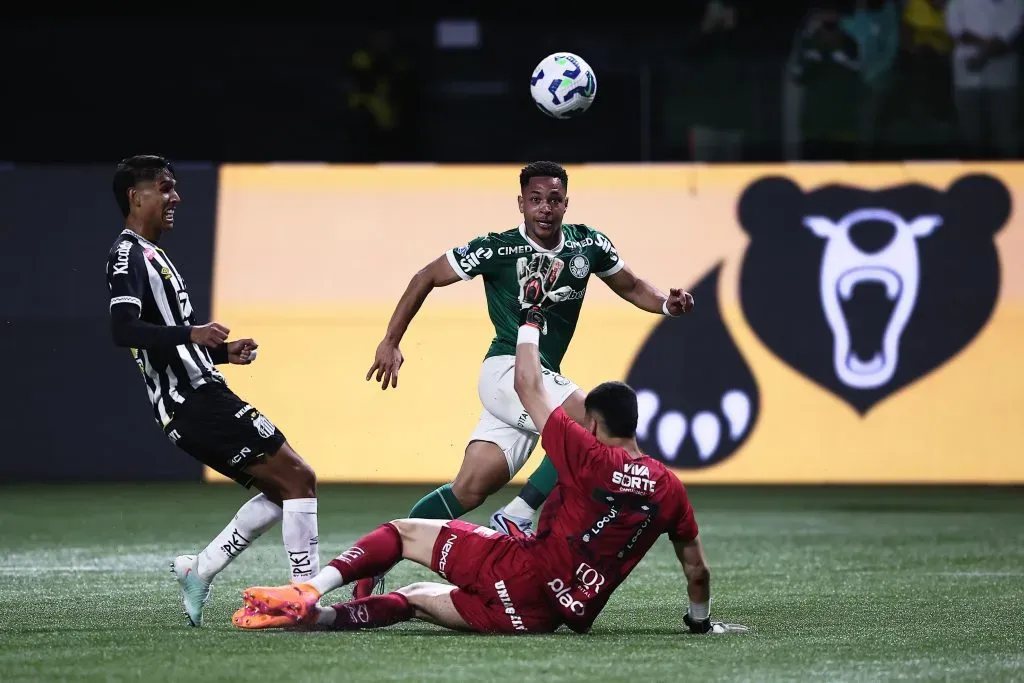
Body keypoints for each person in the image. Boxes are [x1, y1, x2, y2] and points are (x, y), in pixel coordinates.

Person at [234, 254, 745, 636]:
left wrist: (529, 319)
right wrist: (700, 624)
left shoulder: (583, 451)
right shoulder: (669, 487)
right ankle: (316, 621)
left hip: (519, 569)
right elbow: (697, 570)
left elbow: (529, 386)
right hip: (543, 617)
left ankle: (310, 592)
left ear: (591, 422)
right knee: (417, 594)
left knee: (404, 531)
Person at [365, 160, 694, 551]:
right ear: (520, 203)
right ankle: (518, 513)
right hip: (506, 371)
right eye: (535, 199)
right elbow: (426, 276)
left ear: (566, 203)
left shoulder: (587, 245)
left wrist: (667, 306)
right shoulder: (496, 248)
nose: (545, 208)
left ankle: (380, 556)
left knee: (468, 491)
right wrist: (391, 341)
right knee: (590, 427)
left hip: (537, 378)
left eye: (554, 199)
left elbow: (634, 286)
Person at [106, 155, 321, 627]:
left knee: (288, 487)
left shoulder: (155, 253)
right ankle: (307, 600)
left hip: (199, 395)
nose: (175, 198)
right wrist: (193, 334)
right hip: (193, 403)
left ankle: (199, 569)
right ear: (134, 196)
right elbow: (124, 330)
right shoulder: (128, 255)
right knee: (299, 479)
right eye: (164, 188)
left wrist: (222, 353)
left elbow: (165, 343)